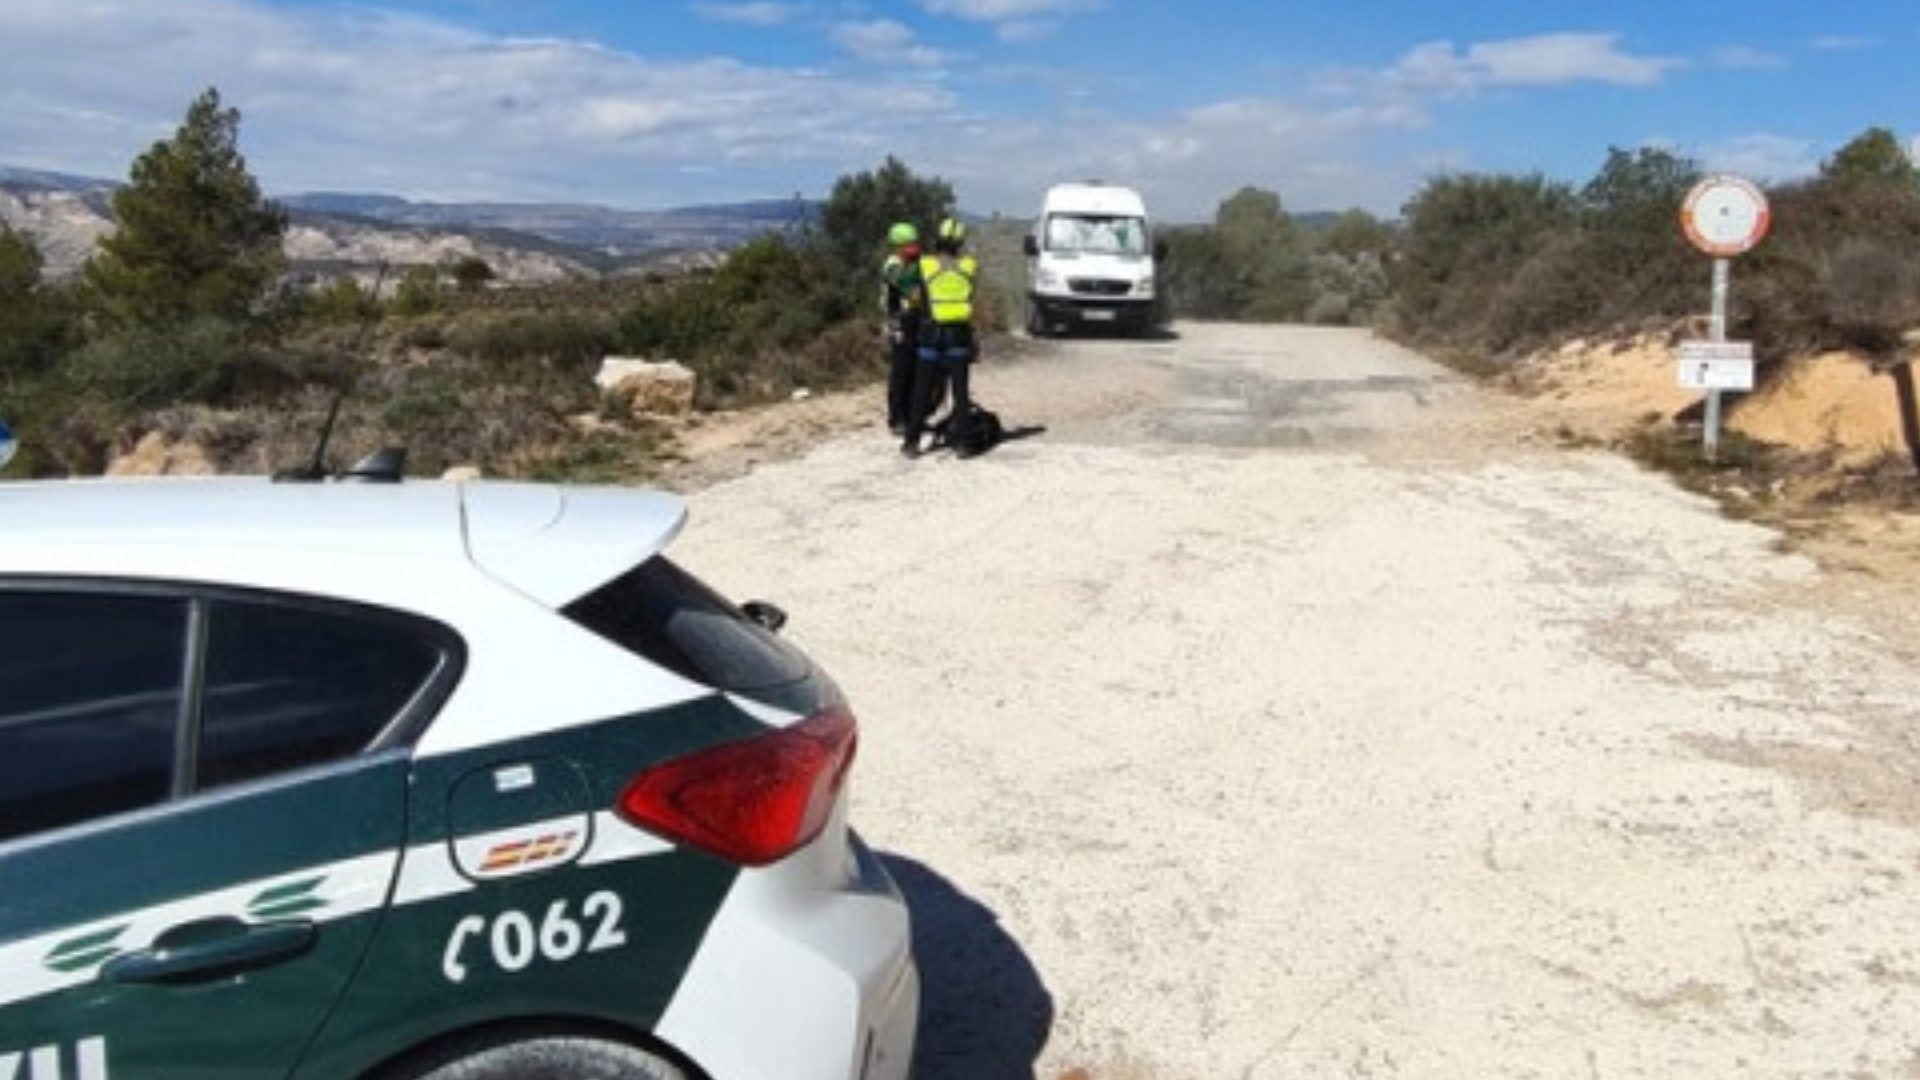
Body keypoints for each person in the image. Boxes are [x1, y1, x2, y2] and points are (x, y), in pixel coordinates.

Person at [902, 217, 980, 459]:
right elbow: (971, 294)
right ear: (959, 243)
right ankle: (964, 445)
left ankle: (912, 442)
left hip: (930, 334)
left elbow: (912, 292)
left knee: (922, 390)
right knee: (961, 391)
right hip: (958, 335)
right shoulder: (969, 266)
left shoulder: (925, 265)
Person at [880, 221, 923, 434]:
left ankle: (913, 415)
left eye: (915, 243)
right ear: (898, 246)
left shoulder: (915, 263)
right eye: (909, 244)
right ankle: (897, 418)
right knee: (901, 371)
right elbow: (910, 291)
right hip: (899, 322)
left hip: (915, 320)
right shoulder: (892, 266)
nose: (914, 248)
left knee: (916, 370)